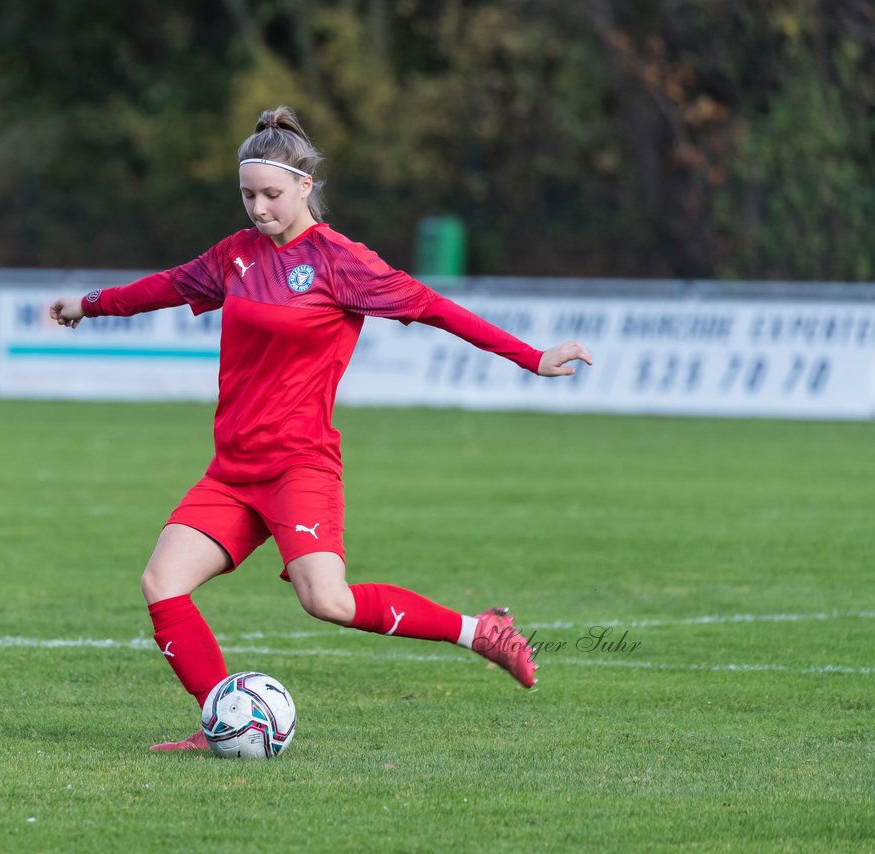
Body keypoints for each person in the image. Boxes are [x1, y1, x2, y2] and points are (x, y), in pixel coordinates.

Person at [49, 106, 593, 751]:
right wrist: (88, 305)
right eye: (248, 195)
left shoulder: (342, 263)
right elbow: (168, 286)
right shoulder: (236, 256)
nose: (259, 208)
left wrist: (531, 357)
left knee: (326, 601)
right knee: (162, 584)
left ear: (305, 187)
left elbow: (437, 310)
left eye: (272, 195)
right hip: (232, 471)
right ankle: (220, 722)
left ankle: (485, 632)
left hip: (298, 467)